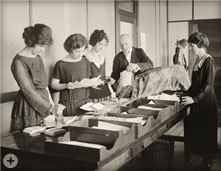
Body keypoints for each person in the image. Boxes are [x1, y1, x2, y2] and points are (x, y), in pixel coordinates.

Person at [10, 23, 59, 131]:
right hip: (27, 107)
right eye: (41, 46)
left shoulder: (38, 58)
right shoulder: (18, 62)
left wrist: (52, 104)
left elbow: (44, 85)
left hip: (45, 104)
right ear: (32, 42)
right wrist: (50, 107)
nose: (43, 50)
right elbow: (29, 92)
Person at [181, 32, 218, 171]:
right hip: (198, 101)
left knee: (206, 131)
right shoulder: (198, 60)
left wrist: (194, 98)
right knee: (198, 129)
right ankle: (198, 156)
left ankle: (207, 162)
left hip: (206, 101)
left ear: (200, 45)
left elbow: (207, 86)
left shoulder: (208, 61)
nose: (190, 49)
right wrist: (185, 93)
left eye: (192, 46)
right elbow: (195, 85)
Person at [51, 34, 103, 116]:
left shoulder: (85, 61)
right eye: (77, 51)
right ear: (70, 49)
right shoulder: (61, 64)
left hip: (86, 104)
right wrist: (67, 85)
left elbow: (87, 80)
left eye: (82, 51)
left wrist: (93, 83)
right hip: (69, 104)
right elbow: (54, 85)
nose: (80, 54)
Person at [85, 30, 114, 102]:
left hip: (106, 94)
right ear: (94, 42)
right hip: (92, 95)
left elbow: (103, 78)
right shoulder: (85, 58)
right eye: (100, 44)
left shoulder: (103, 59)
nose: (102, 47)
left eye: (104, 45)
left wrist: (109, 83)